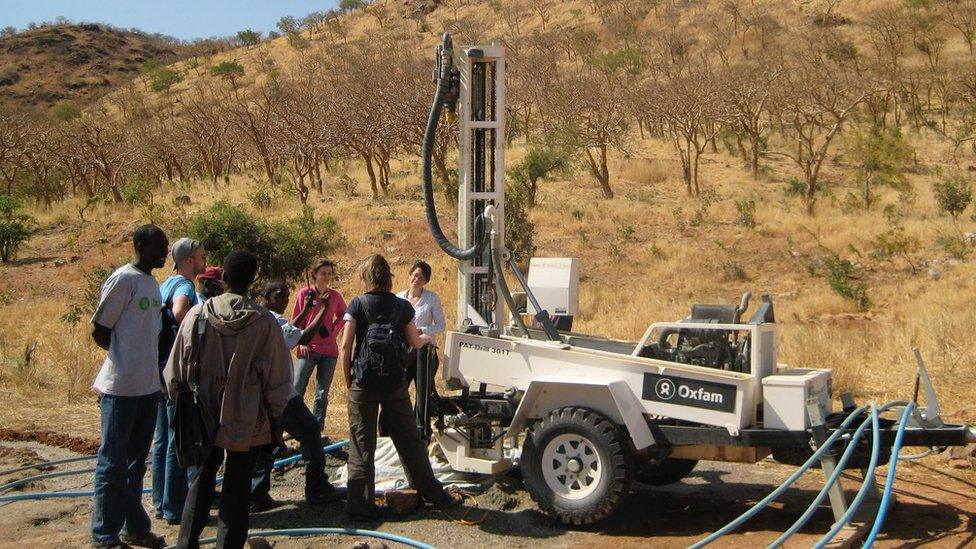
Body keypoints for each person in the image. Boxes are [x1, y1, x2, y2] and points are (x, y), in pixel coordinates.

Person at [164, 251, 293, 549]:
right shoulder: (264, 323)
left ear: (223, 279)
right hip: (247, 418)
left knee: (201, 482)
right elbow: (278, 381)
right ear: (252, 282)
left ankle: (186, 543)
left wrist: (185, 410)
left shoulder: (198, 315)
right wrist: (275, 422)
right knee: (237, 487)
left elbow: (173, 372)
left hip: (202, 412)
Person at [339, 254, 462, 520]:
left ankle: (360, 505)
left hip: (363, 383)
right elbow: (416, 344)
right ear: (389, 277)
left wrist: (350, 382)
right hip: (395, 384)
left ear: (367, 277)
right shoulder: (403, 306)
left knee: (362, 445)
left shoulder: (358, 304)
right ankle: (432, 494)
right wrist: (425, 337)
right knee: (410, 441)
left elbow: (346, 347)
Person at [90, 224, 169, 549]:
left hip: (148, 388)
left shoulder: (152, 283)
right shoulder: (124, 279)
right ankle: (104, 535)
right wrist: (125, 360)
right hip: (121, 389)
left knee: (136, 463)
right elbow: (100, 328)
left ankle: (134, 528)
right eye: (159, 248)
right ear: (139, 246)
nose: (164, 253)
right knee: (112, 463)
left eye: (166, 248)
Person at [249, 280, 343, 512]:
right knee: (310, 430)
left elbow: (288, 331)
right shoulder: (272, 319)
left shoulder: (260, 315)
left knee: (268, 440)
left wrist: (305, 311)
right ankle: (317, 487)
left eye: (287, 296)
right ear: (265, 295)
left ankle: (256, 493)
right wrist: (322, 310)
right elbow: (301, 338)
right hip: (280, 391)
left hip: (262, 390)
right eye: (280, 296)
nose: (285, 301)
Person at [152, 238, 207, 525]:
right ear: (189, 260)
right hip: (177, 371)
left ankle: (161, 502)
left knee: (162, 438)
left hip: (159, 369)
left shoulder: (165, 283)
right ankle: (175, 507)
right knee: (178, 438)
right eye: (201, 256)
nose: (204, 261)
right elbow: (179, 313)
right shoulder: (185, 286)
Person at [292, 259, 347, 430]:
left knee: (322, 394)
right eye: (323, 273)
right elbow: (296, 320)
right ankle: (295, 426)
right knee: (297, 388)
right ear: (314, 274)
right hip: (308, 348)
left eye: (330, 273)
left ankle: (317, 428)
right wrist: (301, 341)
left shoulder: (335, 296)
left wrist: (333, 330)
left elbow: (344, 315)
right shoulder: (304, 293)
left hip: (329, 351)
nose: (327, 277)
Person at [395, 259, 446, 382]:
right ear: (410, 275)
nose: (416, 280)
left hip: (425, 351)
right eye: (415, 275)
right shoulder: (398, 297)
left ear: (426, 281)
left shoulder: (432, 298)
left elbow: (441, 325)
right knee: (400, 390)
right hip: (403, 351)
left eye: (421, 278)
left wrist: (422, 330)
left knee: (423, 395)